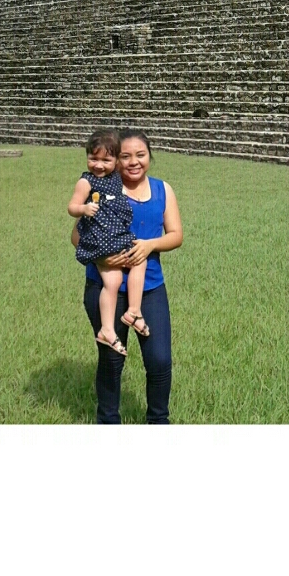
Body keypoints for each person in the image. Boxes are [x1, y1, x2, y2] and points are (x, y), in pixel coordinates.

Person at [81, 131, 182, 424]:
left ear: (150, 156)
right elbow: (76, 237)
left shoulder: (163, 190)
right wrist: (101, 257)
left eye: (140, 155)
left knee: (159, 360)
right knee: (112, 360)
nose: (133, 162)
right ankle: (108, 422)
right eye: (125, 156)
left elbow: (176, 235)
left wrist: (150, 245)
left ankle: (158, 422)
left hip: (150, 287)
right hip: (106, 287)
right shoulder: (101, 189)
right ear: (115, 159)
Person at [68, 130, 148, 355]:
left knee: (113, 282)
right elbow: (71, 207)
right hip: (100, 240)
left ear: (115, 161)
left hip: (114, 236)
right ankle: (133, 312)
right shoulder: (86, 181)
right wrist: (83, 209)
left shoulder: (115, 179)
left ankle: (109, 328)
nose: (99, 165)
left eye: (106, 160)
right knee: (138, 261)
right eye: (93, 158)